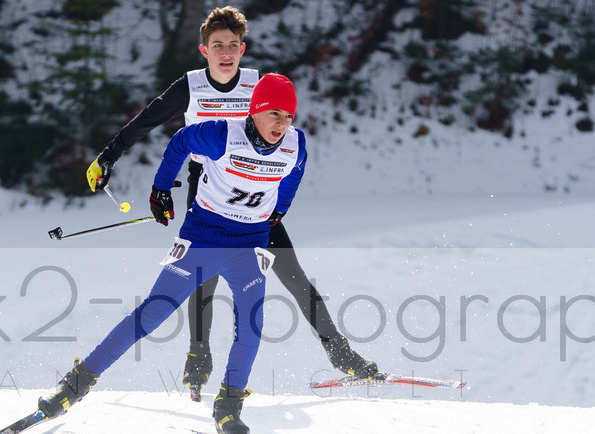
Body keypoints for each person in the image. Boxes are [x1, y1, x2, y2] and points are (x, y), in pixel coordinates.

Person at [86, 5, 380, 401]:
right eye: (217, 45)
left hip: (258, 197)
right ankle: (199, 355)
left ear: (243, 49)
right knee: (201, 280)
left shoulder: (260, 86)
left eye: (233, 46)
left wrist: (281, 204)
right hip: (206, 188)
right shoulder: (190, 87)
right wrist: (109, 156)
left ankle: (341, 353)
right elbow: (147, 122)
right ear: (204, 50)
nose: (226, 53)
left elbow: (288, 141)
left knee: (292, 273)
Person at [39, 73, 307, 434]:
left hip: (249, 244)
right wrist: (161, 189)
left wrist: (280, 210)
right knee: (153, 312)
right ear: (255, 110)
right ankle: (77, 382)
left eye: (288, 116)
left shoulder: (295, 144)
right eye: (274, 113)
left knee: (252, 325)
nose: (281, 123)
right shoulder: (222, 135)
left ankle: (228, 405)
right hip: (203, 239)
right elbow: (180, 141)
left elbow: (294, 173)